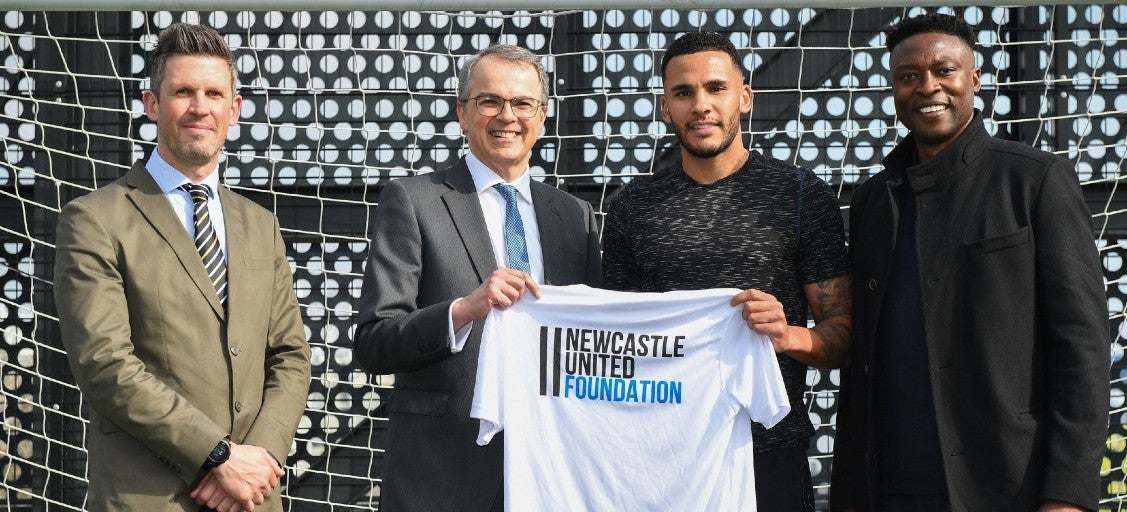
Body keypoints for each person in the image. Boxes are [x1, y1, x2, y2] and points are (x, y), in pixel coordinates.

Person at [830, 13, 1109, 512]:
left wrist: (1068, 495)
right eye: (908, 76)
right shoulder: (872, 201)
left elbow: (1083, 350)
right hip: (885, 489)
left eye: (944, 70)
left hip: (1005, 487)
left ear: (974, 80)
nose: (927, 87)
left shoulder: (1035, 181)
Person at [53, 23, 311, 512]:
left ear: (234, 110)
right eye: (182, 92)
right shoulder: (95, 219)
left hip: (253, 497)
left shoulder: (260, 225)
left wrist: (258, 457)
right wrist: (215, 456)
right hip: (149, 498)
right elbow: (105, 364)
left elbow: (291, 356)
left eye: (214, 93)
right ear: (152, 104)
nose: (200, 107)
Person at [601, 31, 852, 511]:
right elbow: (619, 346)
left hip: (770, 454)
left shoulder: (800, 194)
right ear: (664, 108)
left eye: (716, 88)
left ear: (745, 96)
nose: (701, 105)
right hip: (661, 457)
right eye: (683, 92)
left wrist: (788, 336)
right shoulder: (632, 207)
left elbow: (844, 334)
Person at [354, 44, 602, 511]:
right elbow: (374, 342)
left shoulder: (575, 217)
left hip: (554, 474)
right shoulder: (413, 200)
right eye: (489, 101)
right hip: (444, 478)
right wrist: (464, 310)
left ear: (543, 117)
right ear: (462, 114)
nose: (507, 115)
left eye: (522, 103)